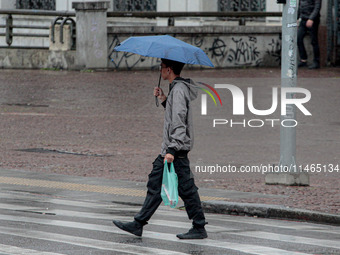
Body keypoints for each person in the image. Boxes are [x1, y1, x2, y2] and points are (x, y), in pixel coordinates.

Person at [112, 58, 208, 239]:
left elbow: (179, 122)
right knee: (161, 185)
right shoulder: (177, 89)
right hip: (174, 148)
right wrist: (164, 100)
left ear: (169, 69)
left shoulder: (179, 90)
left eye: (162, 67)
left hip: (175, 149)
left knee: (183, 189)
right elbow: (175, 114)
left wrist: (171, 150)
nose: (160, 70)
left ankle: (198, 227)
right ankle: (139, 223)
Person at [297, 0, 322, 69]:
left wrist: (311, 18)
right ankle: (303, 59)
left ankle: (316, 62)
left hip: (313, 20)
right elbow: (300, 7)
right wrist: (297, 18)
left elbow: (317, 7)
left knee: (314, 41)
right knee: (299, 38)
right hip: (303, 19)